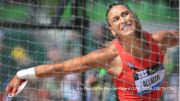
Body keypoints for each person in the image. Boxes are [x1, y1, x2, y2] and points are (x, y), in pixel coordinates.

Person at [5, 3, 179, 101]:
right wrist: (23, 74)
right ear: (112, 30)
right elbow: (62, 67)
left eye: (125, 14)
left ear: (133, 17)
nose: (123, 20)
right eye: (116, 19)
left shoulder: (160, 39)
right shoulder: (108, 56)